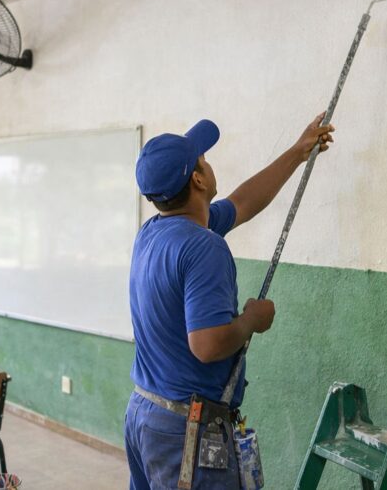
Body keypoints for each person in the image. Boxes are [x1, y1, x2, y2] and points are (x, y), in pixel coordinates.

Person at [125, 114, 335, 489]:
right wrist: (252, 320)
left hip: (146, 415)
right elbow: (206, 345)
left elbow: (242, 202)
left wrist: (298, 152)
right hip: (185, 431)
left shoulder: (153, 233)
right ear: (198, 179)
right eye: (203, 159)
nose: (208, 164)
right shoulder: (203, 246)